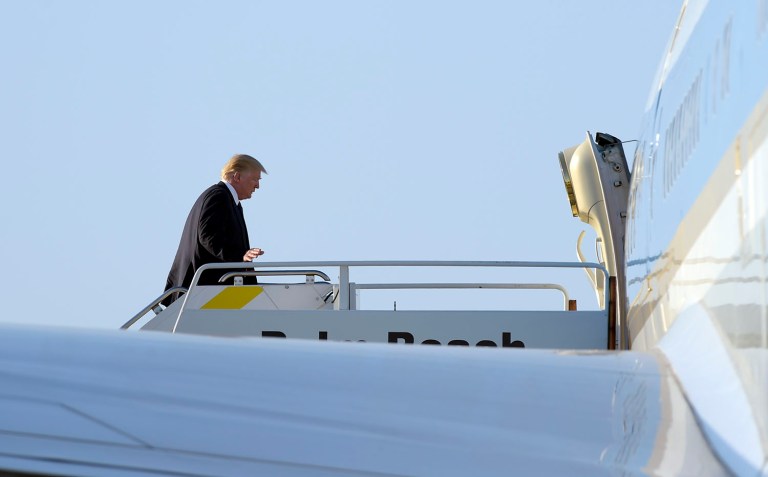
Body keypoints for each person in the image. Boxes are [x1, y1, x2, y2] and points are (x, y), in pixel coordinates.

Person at [162, 154, 267, 305]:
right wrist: (240, 256)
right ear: (237, 177)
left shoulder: (229, 200)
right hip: (201, 294)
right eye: (255, 179)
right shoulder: (218, 196)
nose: (257, 186)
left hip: (208, 292)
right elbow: (208, 237)